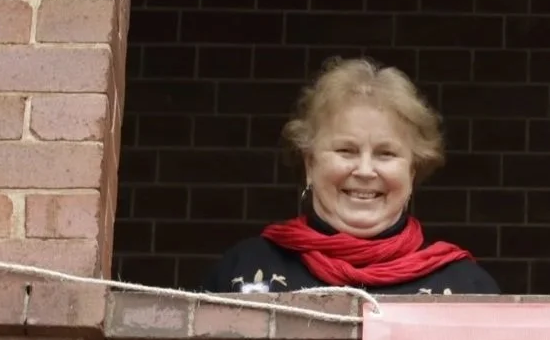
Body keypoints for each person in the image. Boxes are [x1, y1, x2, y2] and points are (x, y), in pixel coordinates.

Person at [202, 57, 497, 296]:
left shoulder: (466, 288)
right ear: (310, 163)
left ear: (413, 170)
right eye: (346, 150)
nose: (365, 171)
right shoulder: (242, 270)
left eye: (386, 154)